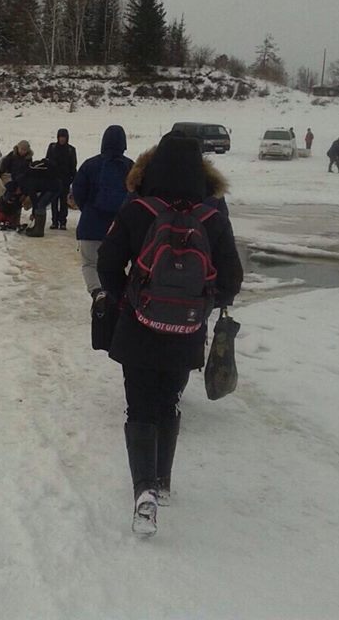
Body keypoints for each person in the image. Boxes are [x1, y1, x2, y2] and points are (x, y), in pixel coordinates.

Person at [97, 132, 243, 536]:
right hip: (188, 329)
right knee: (168, 401)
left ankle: (143, 489)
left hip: (138, 326)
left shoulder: (138, 209)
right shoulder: (213, 216)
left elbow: (107, 263)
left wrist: (128, 299)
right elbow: (231, 279)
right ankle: (161, 482)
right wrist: (201, 304)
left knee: (139, 406)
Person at [71, 125, 133, 292]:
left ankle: (97, 294)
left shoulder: (90, 165)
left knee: (90, 264)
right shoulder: (131, 167)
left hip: (91, 224)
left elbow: (78, 192)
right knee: (117, 266)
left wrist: (88, 209)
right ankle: (116, 297)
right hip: (120, 229)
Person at [46, 128, 78, 230]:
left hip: (65, 180)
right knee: (54, 201)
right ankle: (54, 221)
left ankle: (63, 222)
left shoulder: (71, 150)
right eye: (60, 137)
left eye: (64, 137)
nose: (62, 139)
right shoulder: (52, 147)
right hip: (53, 179)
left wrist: (72, 178)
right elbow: (47, 161)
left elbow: (73, 165)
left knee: (64, 202)